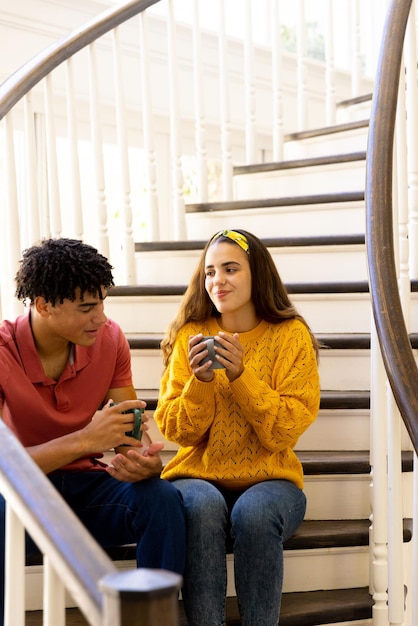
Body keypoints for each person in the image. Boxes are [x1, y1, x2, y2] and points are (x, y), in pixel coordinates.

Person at [0, 237, 186, 625]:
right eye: (87, 307)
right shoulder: (3, 349)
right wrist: (86, 440)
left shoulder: (111, 339)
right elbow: (5, 468)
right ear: (44, 305)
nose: (100, 317)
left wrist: (144, 462)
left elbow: (129, 433)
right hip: (24, 496)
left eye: (102, 302)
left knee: (161, 498)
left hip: (89, 489)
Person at [154, 228, 321, 626]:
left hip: (273, 480)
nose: (218, 281)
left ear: (256, 274)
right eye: (210, 272)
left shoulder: (290, 335)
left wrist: (241, 376)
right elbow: (176, 431)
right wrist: (201, 383)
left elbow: (283, 432)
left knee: (256, 513)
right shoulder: (191, 335)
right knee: (202, 507)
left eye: (230, 269)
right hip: (197, 475)